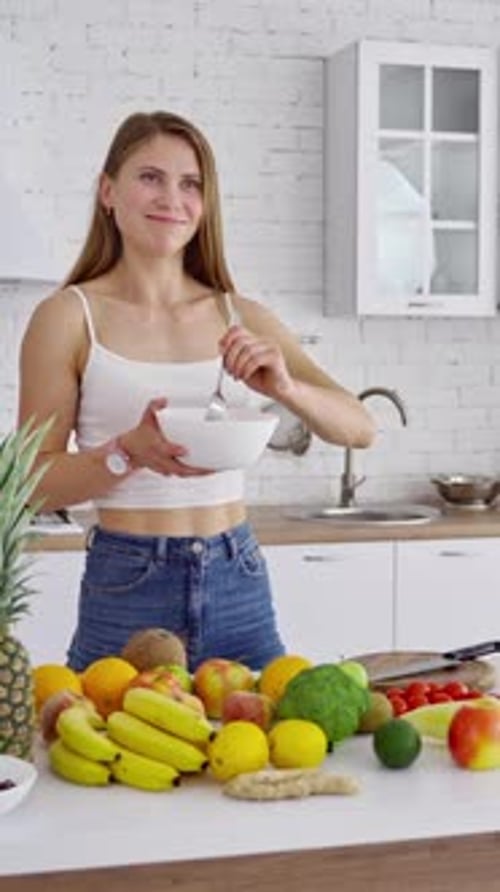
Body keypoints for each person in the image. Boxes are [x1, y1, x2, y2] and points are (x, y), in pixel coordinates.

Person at [18, 110, 376, 673]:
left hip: (238, 575)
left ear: (205, 205)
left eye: (190, 184)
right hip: (127, 585)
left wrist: (285, 387)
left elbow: (359, 426)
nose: (171, 198)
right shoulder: (68, 317)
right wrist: (126, 452)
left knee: (265, 758)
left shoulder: (241, 314)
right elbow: (30, 485)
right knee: (115, 756)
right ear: (108, 191)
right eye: (150, 177)